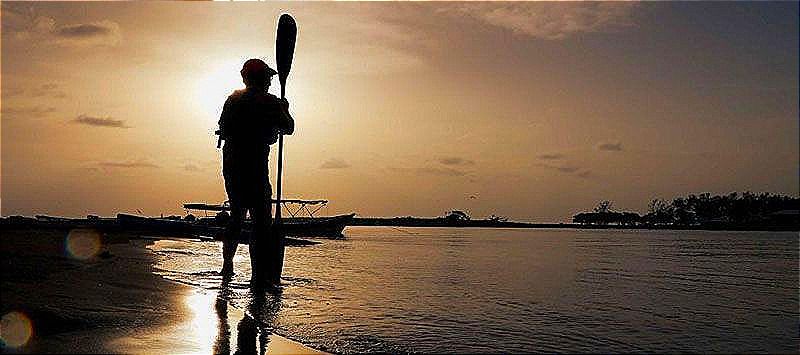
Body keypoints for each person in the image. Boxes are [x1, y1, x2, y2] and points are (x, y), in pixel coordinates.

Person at [217, 58, 294, 282]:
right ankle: (257, 277)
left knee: (237, 216)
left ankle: (227, 267)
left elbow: (224, 127)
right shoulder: (270, 102)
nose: (270, 81)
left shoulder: (232, 100)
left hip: (232, 166)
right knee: (261, 222)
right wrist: (285, 110)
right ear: (261, 79)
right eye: (268, 78)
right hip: (255, 167)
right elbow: (289, 128)